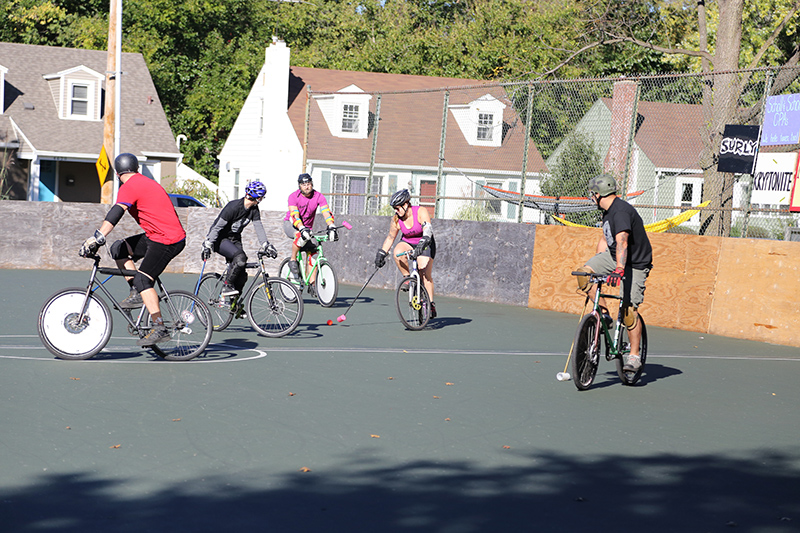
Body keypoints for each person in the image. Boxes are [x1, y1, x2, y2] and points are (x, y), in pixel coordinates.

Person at [78, 153, 186, 346]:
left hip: (167, 240)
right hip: (156, 235)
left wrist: (98, 237)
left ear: (118, 174)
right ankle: (136, 292)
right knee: (118, 249)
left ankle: (159, 327)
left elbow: (116, 212)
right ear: (136, 168)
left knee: (144, 278)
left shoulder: (130, 186)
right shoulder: (145, 181)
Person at [576, 174, 653, 371]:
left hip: (635, 264)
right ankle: (604, 315)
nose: (591, 198)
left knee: (628, 312)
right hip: (613, 257)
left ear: (598, 194)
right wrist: (596, 264)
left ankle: (634, 356)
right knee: (584, 275)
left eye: (592, 194)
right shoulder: (608, 212)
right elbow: (606, 238)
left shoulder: (620, 212)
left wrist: (619, 269)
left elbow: (622, 241)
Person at [201, 181, 278, 301]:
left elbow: (258, 227)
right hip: (220, 239)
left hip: (235, 239)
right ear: (257, 197)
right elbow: (217, 227)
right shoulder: (233, 207)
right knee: (241, 258)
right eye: (261, 197)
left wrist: (266, 245)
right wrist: (208, 244)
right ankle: (226, 286)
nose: (262, 199)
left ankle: (233, 304)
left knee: (242, 276)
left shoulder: (254, 209)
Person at [374, 189, 437, 318]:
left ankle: (431, 304)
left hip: (425, 242)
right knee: (397, 252)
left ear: (406, 204)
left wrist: (423, 242)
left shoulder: (420, 211)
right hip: (408, 242)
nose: (396, 211)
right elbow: (391, 237)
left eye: (397, 208)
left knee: (424, 272)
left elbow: (428, 229)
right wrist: (382, 253)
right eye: (394, 209)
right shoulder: (396, 219)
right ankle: (408, 278)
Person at [283, 173, 337, 296]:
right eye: (304, 185)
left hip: (307, 228)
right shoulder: (293, 197)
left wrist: (331, 225)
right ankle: (293, 259)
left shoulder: (319, 196)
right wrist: (301, 228)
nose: (307, 187)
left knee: (313, 252)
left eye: (308, 184)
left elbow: (326, 211)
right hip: (292, 225)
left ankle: (312, 283)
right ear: (299, 186)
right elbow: (294, 215)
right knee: (299, 236)